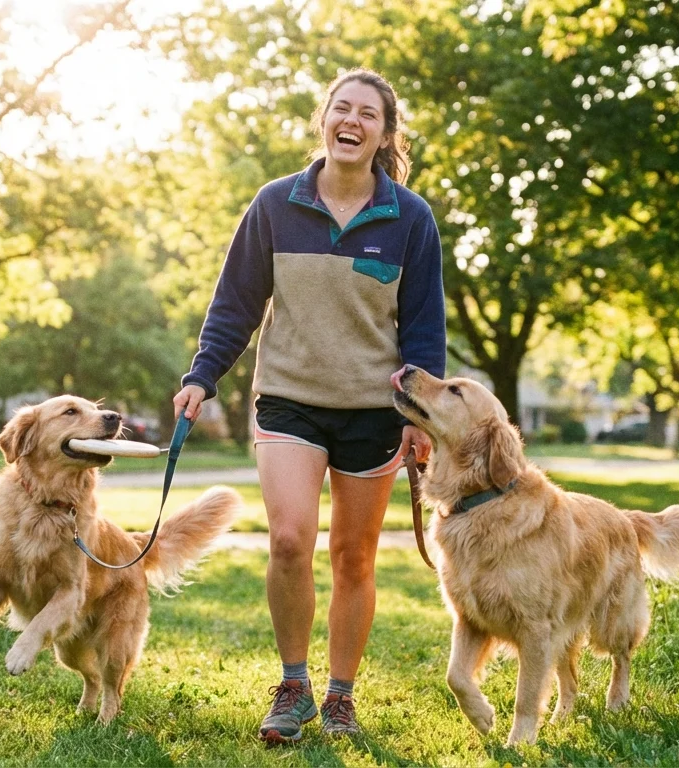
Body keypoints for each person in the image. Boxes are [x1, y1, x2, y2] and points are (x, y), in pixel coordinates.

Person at [173, 68, 446, 743]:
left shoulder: (410, 219)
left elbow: (422, 331)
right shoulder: (274, 205)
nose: (352, 121)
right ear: (324, 119)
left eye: (369, 114)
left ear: (385, 134)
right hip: (289, 397)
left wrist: (423, 419)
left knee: (354, 556)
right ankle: (293, 686)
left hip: (372, 410)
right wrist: (202, 376)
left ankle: (341, 696)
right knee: (291, 539)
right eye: (341, 108)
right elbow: (234, 304)